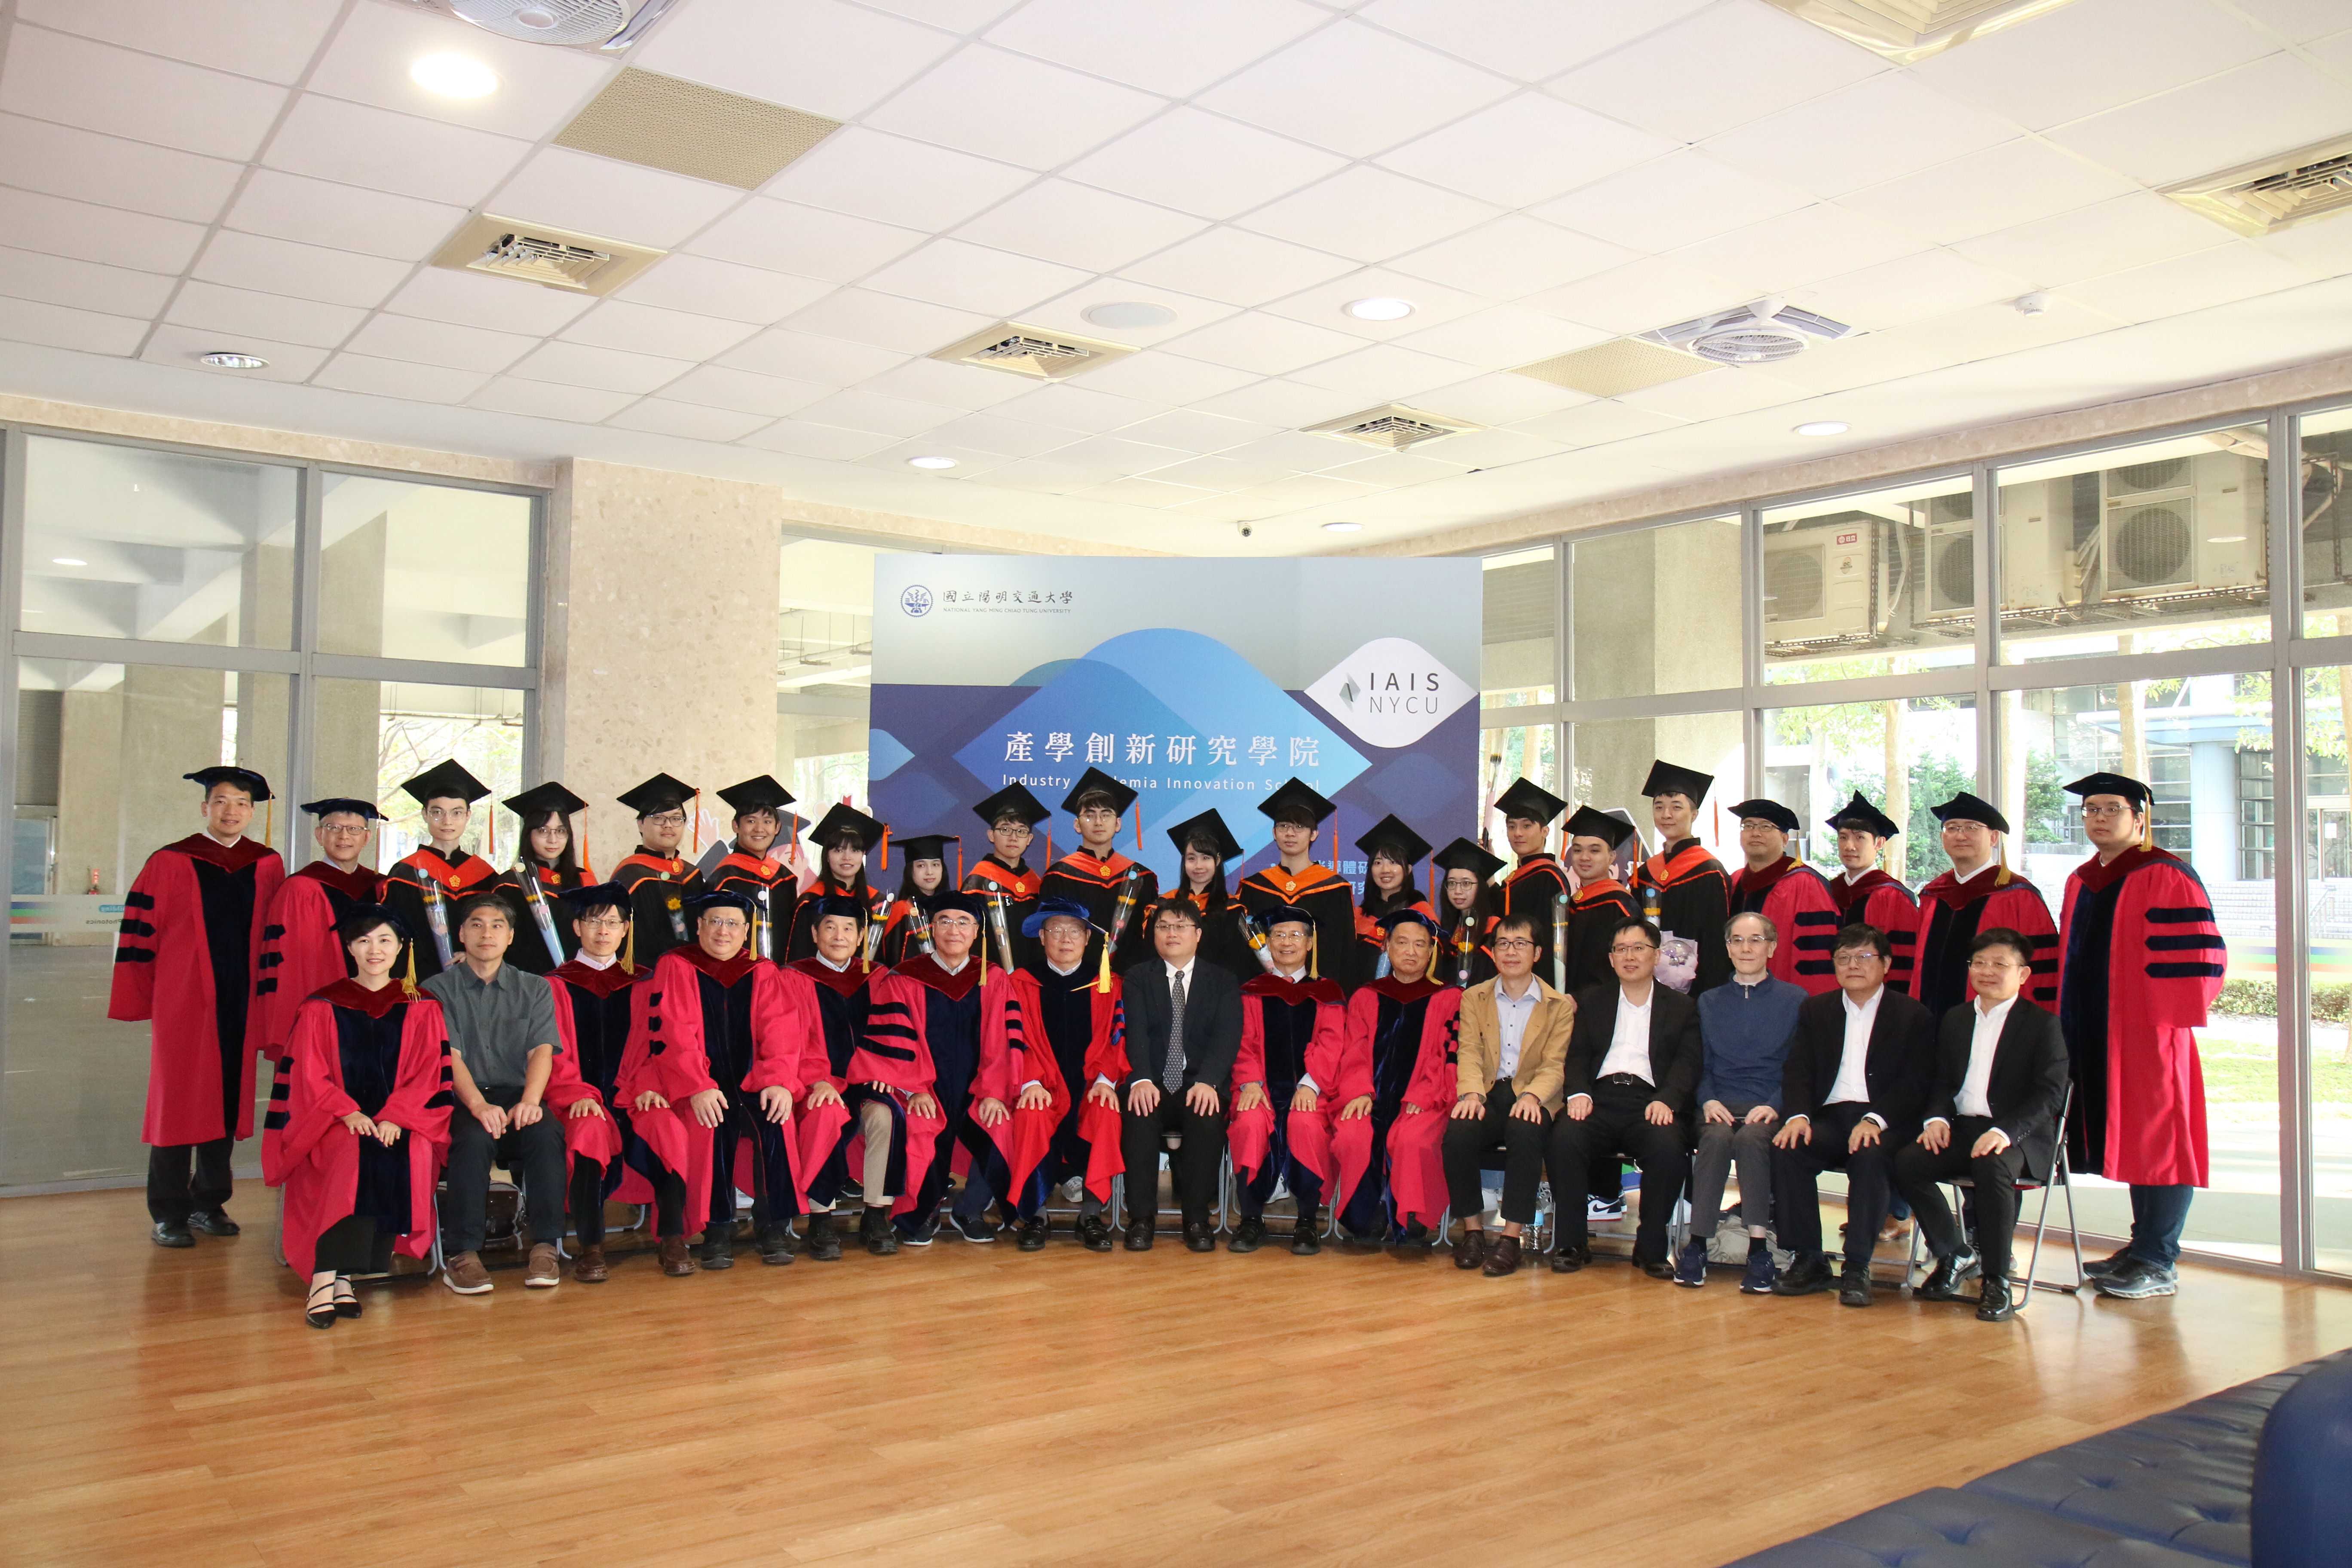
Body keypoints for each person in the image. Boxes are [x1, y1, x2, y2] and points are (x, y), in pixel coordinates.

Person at [2056, 772, 2226, 1302]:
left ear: (2139, 817)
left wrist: (2162, 1026)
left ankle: (2159, 1258)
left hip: (2151, 1036)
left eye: (2112, 809)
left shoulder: (2166, 875)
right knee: (2135, 1138)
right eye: (2091, 810)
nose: (2099, 818)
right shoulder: (2082, 880)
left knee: (2163, 1137)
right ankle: (2141, 1247)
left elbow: (2199, 957)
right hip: (2092, 1034)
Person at [113, 766, 287, 1247]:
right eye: (222, 802)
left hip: (242, 1001)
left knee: (226, 1101)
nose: (232, 811)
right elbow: (140, 933)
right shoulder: (170, 861)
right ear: (204, 808)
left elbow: (278, 935)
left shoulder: (267, 864)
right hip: (185, 1000)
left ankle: (209, 1202)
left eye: (242, 804)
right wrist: (144, 995)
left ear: (252, 812)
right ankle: (168, 1211)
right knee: (176, 1101)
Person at [262, 905, 453, 1329]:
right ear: (350, 948)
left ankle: (345, 1278)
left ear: (401, 948)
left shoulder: (423, 1006)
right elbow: (308, 1074)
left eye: (385, 940)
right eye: (364, 941)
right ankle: (324, 1278)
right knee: (351, 1152)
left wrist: (396, 1117)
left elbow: (430, 1074)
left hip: (400, 1120)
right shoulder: (322, 1006)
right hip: (331, 1119)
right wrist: (346, 1111)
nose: (374, 950)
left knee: (398, 1149)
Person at [620, 890, 824, 1276]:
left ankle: (774, 1225)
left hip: (753, 1083)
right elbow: (674, 1032)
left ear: (747, 931)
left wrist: (779, 1081)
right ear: (699, 927)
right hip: (697, 1084)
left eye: (733, 923)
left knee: (777, 1119)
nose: (723, 931)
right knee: (710, 1124)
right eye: (715, 921)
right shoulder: (677, 965)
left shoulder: (762, 970)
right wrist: (698, 1085)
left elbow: (780, 1031)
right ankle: (717, 1229)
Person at [1895, 927, 2070, 1323]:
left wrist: (2004, 1132)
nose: (1987, 971)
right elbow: (1941, 1080)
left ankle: (1997, 1279)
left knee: (1992, 1166)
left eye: (1999, 964)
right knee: (1907, 1161)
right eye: (1979, 963)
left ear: (2023, 974)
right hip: (1963, 1129)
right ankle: (1954, 1253)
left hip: (2018, 1136)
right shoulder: (1957, 1019)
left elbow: (2049, 1094)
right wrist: (1936, 1118)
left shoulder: (2042, 1024)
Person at [1769, 923, 1936, 1308]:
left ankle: (1858, 1265)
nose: (1853, 966)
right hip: (1830, 1116)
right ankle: (1809, 1258)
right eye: (1843, 958)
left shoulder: (1912, 1014)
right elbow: (1799, 1070)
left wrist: (1876, 1119)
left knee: (1870, 1155)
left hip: (1884, 1120)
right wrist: (1798, 1116)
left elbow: (1915, 1083)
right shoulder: (1817, 1009)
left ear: (1886, 964)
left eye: (1863, 957)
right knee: (1788, 1147)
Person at [424, 895, 568, 1294]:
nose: (486, 933)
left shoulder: (535, 988)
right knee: (472, 1139)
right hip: (463, 1097)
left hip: (519, 1094)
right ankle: (463, 1254)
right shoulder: (437, 989)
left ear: (511, 937)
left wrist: (531, 1102)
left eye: (497, 925)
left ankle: (546, 1246)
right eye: (477, 924)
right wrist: (477, 1104)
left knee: (546, 1133)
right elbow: (450, 1056)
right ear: (461, 933)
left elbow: (542, 1050)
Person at [792, 893, 945, 1258]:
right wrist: (818, 1079)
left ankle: (875, 1215)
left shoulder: (879, 977)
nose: (839, 936)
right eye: (830, 928)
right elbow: (788, 1039)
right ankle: (820, 1217)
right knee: (824, 1114)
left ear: (861, 936)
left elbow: (900, 1033)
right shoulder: (793, 978)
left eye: (849, 929)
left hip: (867, 1084)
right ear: (814, 934)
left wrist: (891, 1074)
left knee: (887, 1115)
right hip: (817, 1085)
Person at [1546, 917, 1700, 1278]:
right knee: (1564, 1139)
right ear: (1611, 958)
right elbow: (1577, 1055)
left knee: (1668, 1149)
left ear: (1656, 955)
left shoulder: (1682, 1007)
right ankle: (1572, 1243)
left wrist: (1668, 1100)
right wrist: (1578, 1092)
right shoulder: (1592, 1001)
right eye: (1621, 950)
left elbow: (1688, 1063)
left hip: (1650, 1101)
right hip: (1598, 1099)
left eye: (1638, 948)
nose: (1630, 957)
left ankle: (1650, 1249)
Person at [985, 900, 1125, 1250]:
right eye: (1057, 930)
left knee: (1106, 1112)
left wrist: (1106, 1081)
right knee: (1030, 1113)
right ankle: (1036, 1216)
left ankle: (1091, 1216)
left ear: (1087, 939)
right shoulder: (1020, 983)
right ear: (1042, 937)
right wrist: (1030, 1081)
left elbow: (1118, 1036)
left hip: (1090, 1085)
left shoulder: (1107, 984)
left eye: (1074, 931)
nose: (1066, 939)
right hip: (1041, 1086)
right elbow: (1011, 1039)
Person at [1444, 913, 1573, 1279]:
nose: (1511, 952)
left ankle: (1511, 1238)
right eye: (1503, 944)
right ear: (1494, 951)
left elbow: (1555, 1064)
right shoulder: (1475, 997)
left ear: (1538, 953)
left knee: (1525, 1131)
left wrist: (1533, 1097)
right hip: (1487, 1091)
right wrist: (1471, 1094)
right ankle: (1473, 1232)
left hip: (1533, 1094)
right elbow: (1469, 1051)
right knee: (1459, 1133)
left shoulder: (1558, 1005)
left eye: (1520, 944)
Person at [1685, 911, 1805, 1292]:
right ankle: (1698, 1244)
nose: (1746, 948)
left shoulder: (1796, 1000)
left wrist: (1776, 1104)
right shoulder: (1708, 1001)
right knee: (1717, 1138)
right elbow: (1699, 1062)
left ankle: (1759, 1249)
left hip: (1768, 1106)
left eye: (1756, 940)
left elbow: (1799, 1066)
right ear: (1727, 949)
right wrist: (1707, 1100)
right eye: (1737, 940)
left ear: (1772, 947)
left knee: (1753, 1140)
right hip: (1718, 1104)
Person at [1116, 896, 1243, 1253]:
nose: (1171, 933)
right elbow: (1135, 1032)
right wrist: (1141, 1078)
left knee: (1206, 1114)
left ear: (1198, 934)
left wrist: (1209, 1081)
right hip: (1153, 1080)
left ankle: (1197, 1220)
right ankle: (1141, 1219)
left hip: (1200, 1082)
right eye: (1163, 927)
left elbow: (1227, 1037)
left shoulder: (1222, 981)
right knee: (1138, 1110)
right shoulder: (1138, 978)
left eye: (1180, 926)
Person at [542, 882, 652, 1283]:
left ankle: (674, 1238)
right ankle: (591, 1247)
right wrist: (576, 1093)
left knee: (666, 1124)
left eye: (612, 923)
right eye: (593, 922)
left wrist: (646, 1088)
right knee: (588, 1130)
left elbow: (661, 1046)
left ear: (626, 930)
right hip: (574, 1098)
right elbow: (550, 1052)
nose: (603, 931)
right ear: (577, 928)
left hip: (634, 1094)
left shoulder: (644, 982)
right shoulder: (554, 984)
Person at [1329, 908, 1458, 1243]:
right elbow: (1353, 1051)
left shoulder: (1449, 998)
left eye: (1420, 944)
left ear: (1431, 951)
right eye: (1402, 943)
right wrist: (1360, 1091)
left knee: (1413, 1138)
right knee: (1353, 1134)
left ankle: (1411, 1212)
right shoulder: (1367, 996)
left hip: (1424, 1099)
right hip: (1368, 1096)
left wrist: (1425, 1095)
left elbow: (1448, 1056)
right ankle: (1367, 1211)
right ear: (1386, 946)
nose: (1411, 952)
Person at [1226, 904, 1347, 1255]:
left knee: (1306, 1124)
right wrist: (1251, 1082)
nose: (1286, 942)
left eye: (1296, 935)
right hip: (1259, 1090)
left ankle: (1307, 1219)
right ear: (1268, 942)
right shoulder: (1252, 991)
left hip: (1312, 1091)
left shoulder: (1327, 991)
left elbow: (1332, 1043)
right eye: (1278, 935)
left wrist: (1310, 1084)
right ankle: (1251, 1218)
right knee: (1249, 1123)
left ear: (1310, 944)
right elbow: (1243, 1043)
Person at [893, 889, 1006, 1245]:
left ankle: (969, 1209)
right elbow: (898, 1038)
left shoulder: (992, 977)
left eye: (963, 922)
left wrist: (993, 1092)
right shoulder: (906, 977)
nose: (954, 930)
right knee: (919, 1123)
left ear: (976, 932)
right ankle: (924, 1210)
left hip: (978, 1089)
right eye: (944, 921)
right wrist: (914, 1089)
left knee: (1002, 1125)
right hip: (925, 1088)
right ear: (931, 928)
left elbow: (1004, 1040)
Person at [251, 796, 385, 1062]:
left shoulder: (381, 887)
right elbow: (288, 966)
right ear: (319, 835)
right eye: (334, 828)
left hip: (374, 1007)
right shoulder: (299, 888)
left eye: (354, 829)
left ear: (367, 838)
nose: (344, 836)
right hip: (319, 1007)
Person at [1914, 792, 2058, 1020]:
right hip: (1929, 1018)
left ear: (1993, 838)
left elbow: (2042, 969)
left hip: (1999, 1022)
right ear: (1942, 837)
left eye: (1971, 828)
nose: (1960, 835)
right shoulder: (1933, 895)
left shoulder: (2018, 894)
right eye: (1952, 828)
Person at [381, 759, 497, 984]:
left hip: (475, 977)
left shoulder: (486, 875)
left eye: (456, 813)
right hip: (419, 981)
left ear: (468, 816)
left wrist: (475, 956)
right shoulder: (405, 873)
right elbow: (393, 935)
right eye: (437, 812)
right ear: (425, 815)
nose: (447, 821)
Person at [1238, 778, 1358, 990]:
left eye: (1300, 827)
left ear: (1314, 834)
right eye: (1283, 826)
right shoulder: (1255, 887)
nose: (1290, 833)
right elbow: (1243, 952)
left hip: (1319, 996)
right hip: (1263, 995)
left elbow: (1344, 954)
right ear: (1274, 833)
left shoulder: (1335, 889)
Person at [1041, 768, 1160, 977]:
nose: (1098, 822)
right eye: (1089, 815)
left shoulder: (1141, 877)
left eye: (1106, 815)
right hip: (1075, 979)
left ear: (1118, 824)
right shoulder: (1059, 876)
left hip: (1131, 980)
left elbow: (1149, 939)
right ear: (1077, 825)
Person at [1633, 759, 1732, 995]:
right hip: (1646, 987)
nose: (1666, 815)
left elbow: (1717, 946)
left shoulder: (1710, 872)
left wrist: (1705, 997)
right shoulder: (1646, 873)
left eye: (1676, 807)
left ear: (1694, 814)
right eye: (1659, 807)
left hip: (1697, 991)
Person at [1726, 798, 1842, 996]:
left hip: (1786, 1000)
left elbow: (1816, 958)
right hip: (1735, 996)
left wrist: (1806, 1005)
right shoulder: (1734, 881)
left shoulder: (1806, 884)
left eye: (1766, 827)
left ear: (1785, 839)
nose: (1755, 833)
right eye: (1748, 826)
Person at [1824, 793, 1920, 995]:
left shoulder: (1893, 896)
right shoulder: (1826, 891)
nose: (1849, 846)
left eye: (1860, 837)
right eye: (1843, 837)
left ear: (1879, 843)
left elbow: (1903, 960)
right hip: (1828, 999)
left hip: (1877, 1001)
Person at [491, 781, 590, 976]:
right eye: (543, 831)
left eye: (560, 831)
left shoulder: (584, 882)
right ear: (529, 834)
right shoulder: (510, 885)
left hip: (578, 980)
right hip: (526, 980)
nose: (553, 840)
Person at [610, 773, 704, 969]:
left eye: (676, 819)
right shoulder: (629, 876)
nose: (668, 825)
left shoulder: (693, 876)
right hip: (647, 975)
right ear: (641, 824)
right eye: (659, 818)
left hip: (695, 974)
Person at [704, 775, 798, 961]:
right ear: (736, 826)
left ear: (777, 828)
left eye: (767, 822)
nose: (759, 829)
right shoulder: (726, 877)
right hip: (736, 972)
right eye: (751, 821)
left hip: (778, 972)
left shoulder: (784, 878)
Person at [964, 783, 1050, 970]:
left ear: (1029, 839)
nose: (1013, 837)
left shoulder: (1036, 883)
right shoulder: (978, 882)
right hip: (989, 974)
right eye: (1005, 829)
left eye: (1021, 831)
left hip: (1031, 975)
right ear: (991, 835)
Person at [1493, 777, 1571, 982]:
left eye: (1527, 826)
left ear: (1545, 831)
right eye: (1512, 827)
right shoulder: (1516, 878)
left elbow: (1550, 940)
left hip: (1536, 981)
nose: (1518, 834)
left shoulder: (1549, 877)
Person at [787, 802, 886, 962]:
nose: (847, 857)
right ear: (827, 855)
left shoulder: (877, 903)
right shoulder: (811, 902)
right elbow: (799, 957)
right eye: (839, 850)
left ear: (863, 855)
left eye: (855, 850)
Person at [1162, 808, 1253, 981]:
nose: (1198, 866)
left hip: (1216, 990)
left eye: (1206, 858)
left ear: (1217, 861)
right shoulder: (1165, 905)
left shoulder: (1232, 910)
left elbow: (1236, 964)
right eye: (1191, 858)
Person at [1561, 806, 1641, 992]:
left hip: (1607, 1002)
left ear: (1612, 857)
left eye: (1595, 851)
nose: (1584, 857)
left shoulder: (1620, 905)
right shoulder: (1570, 905)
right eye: (1577, 850)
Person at [1354, 814, 1434, 980]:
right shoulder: (1359, 916)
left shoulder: (1421, 914)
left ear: (1408, 869)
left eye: (1393, 862)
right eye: (1378, 863)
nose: (1385, 870)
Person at [1431, 837, 1502, 989]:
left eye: (1466, 883)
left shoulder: (1493, 931)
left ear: (1481, 886)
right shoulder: (1446, 931)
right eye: (1452, 883)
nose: (1458, 891)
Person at [880, 833, 956, 967]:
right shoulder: (902, 911)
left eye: (936, 865)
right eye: (921, 866)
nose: (930, 872)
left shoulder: (952, 909)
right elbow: (895, 961)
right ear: (910, 871)